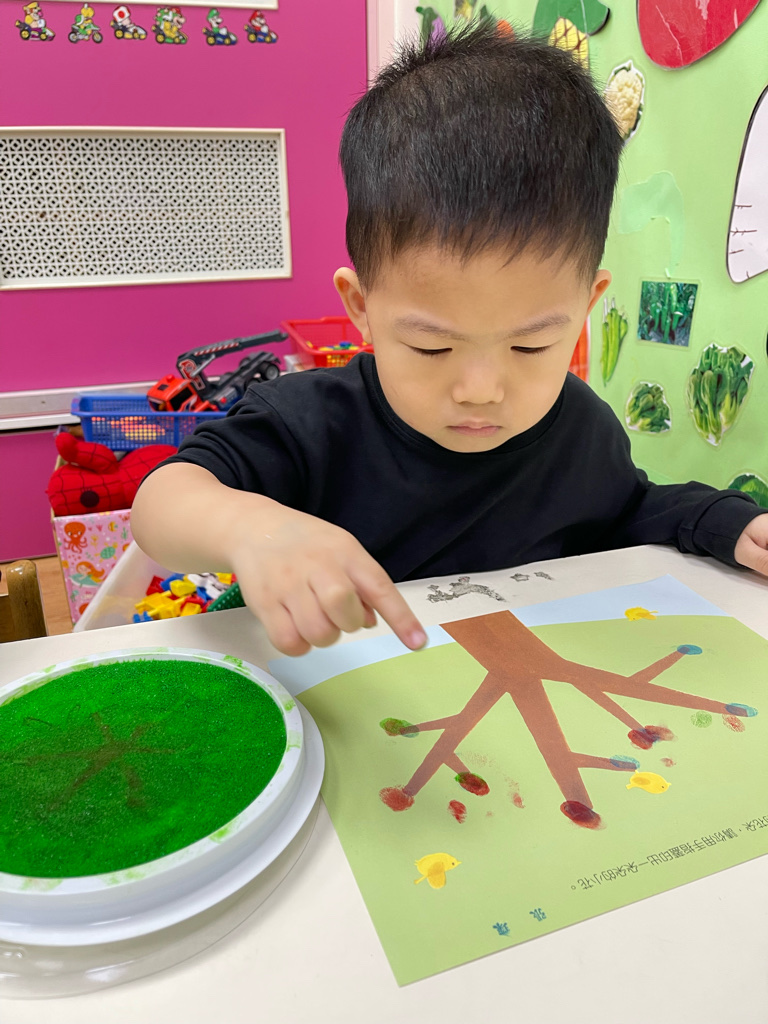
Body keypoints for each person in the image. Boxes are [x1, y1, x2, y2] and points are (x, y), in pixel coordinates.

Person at [132, 24, 768, 656]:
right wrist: (254, 529)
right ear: (361, 307)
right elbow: (161, 504)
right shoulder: (309, 423)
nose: (481, 391)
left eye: (530, 347)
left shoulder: (580, 427)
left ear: (587, 306)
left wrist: (726, 523)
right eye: (431, 348)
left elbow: (629, 509)